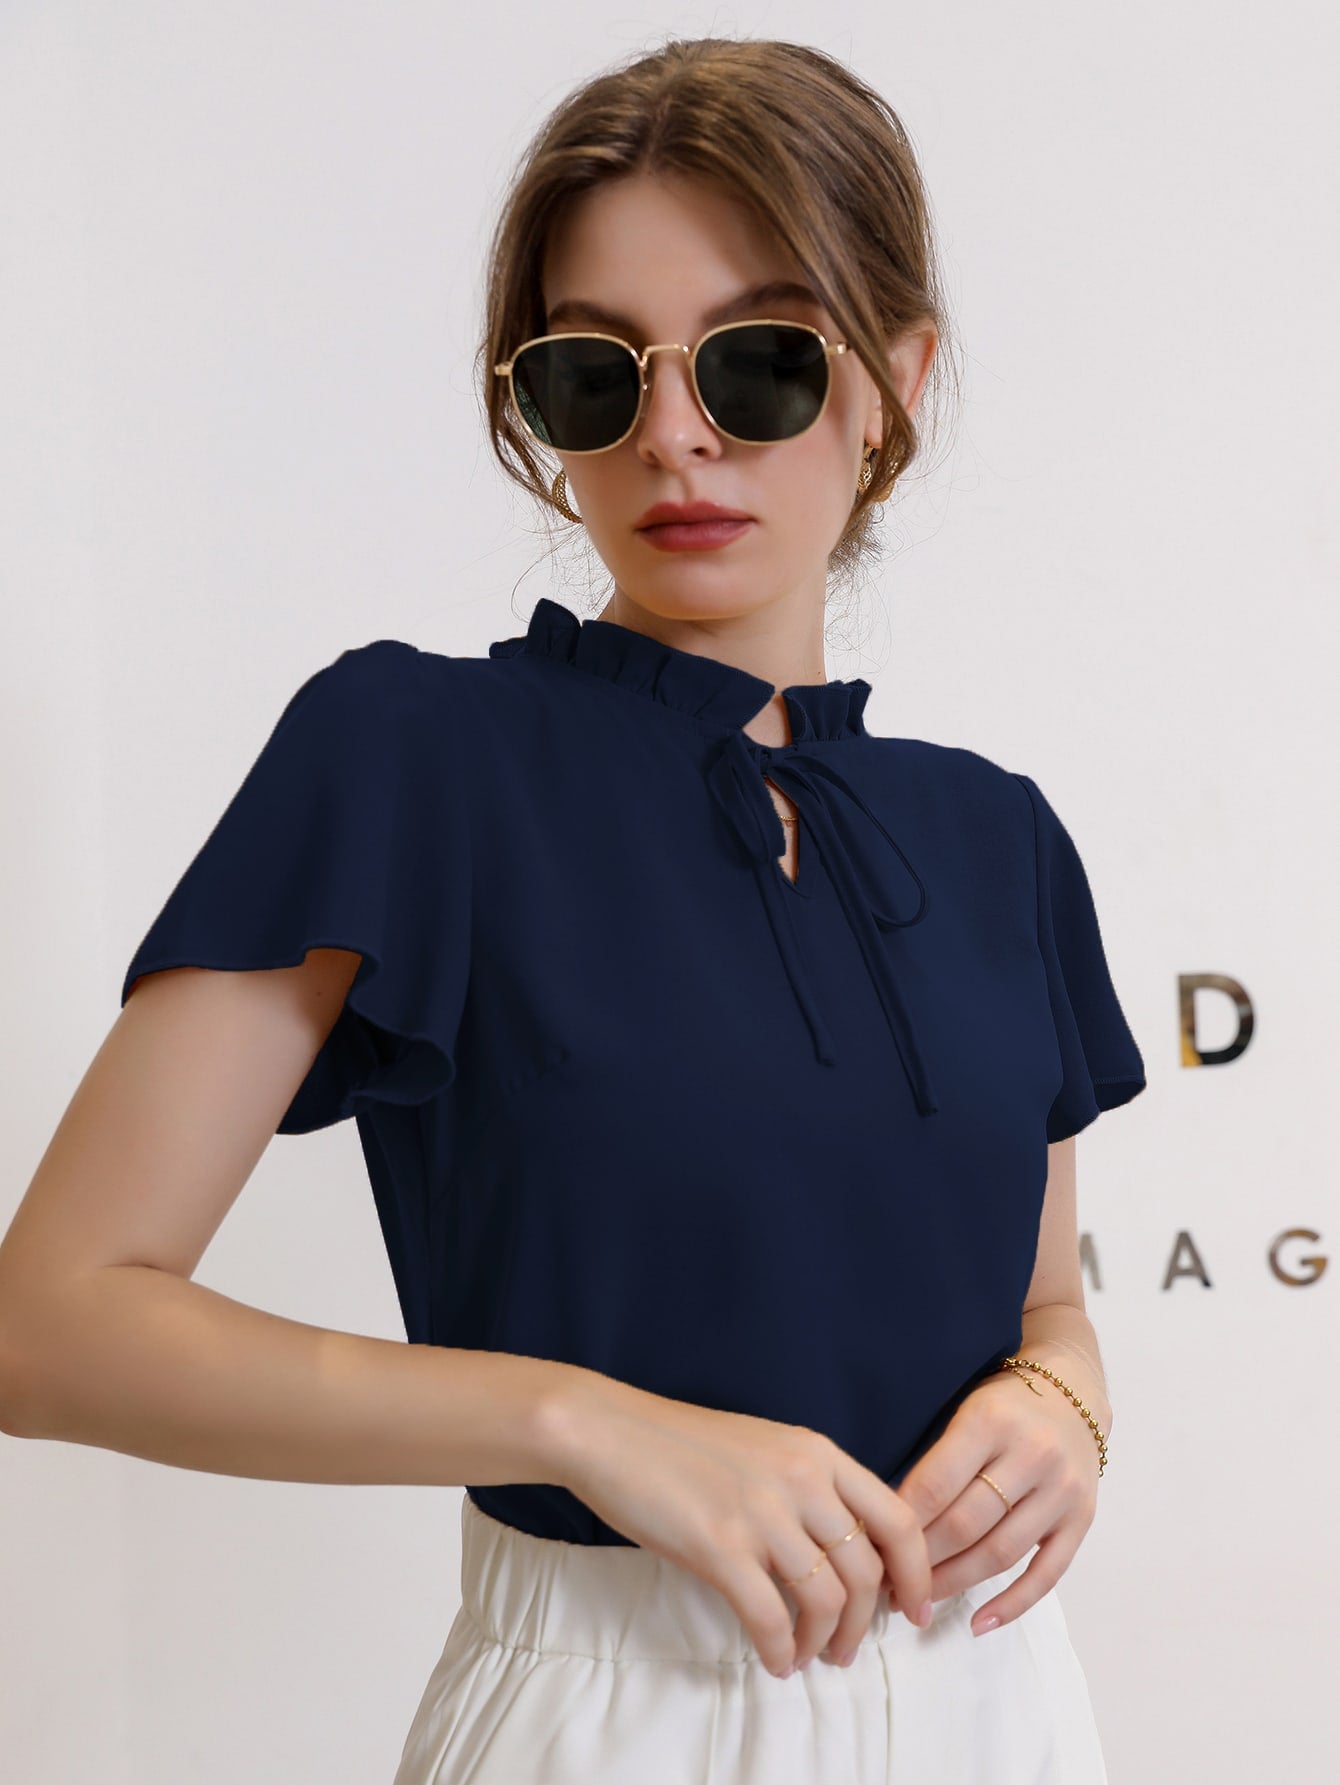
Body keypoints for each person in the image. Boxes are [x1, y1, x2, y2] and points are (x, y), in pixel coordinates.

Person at [0, 34, 1147, 1785]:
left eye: (762, 360)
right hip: (614, 1714)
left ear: (895, 382)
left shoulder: (997, 835)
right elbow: (51, 1321)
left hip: (1004, 1707)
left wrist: (1065, 1403)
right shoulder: (414, 752)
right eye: (593, 374)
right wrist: (584, 1423)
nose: (675, 433)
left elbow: (1043, 1302)